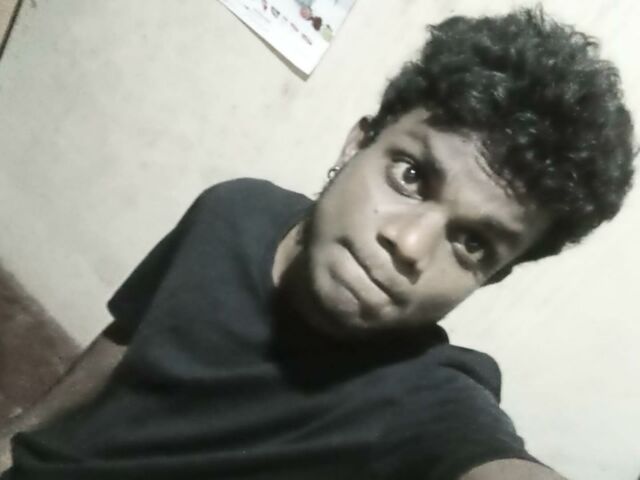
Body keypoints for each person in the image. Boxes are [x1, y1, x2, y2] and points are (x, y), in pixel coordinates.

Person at [0, 7, 634, 480]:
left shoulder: (423, 399)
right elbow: (127, 339)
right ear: (357, 144)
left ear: (490, 277)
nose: (409, 244)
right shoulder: (234, 209)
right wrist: (14, 439)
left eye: (472, 242)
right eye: (412, 175)